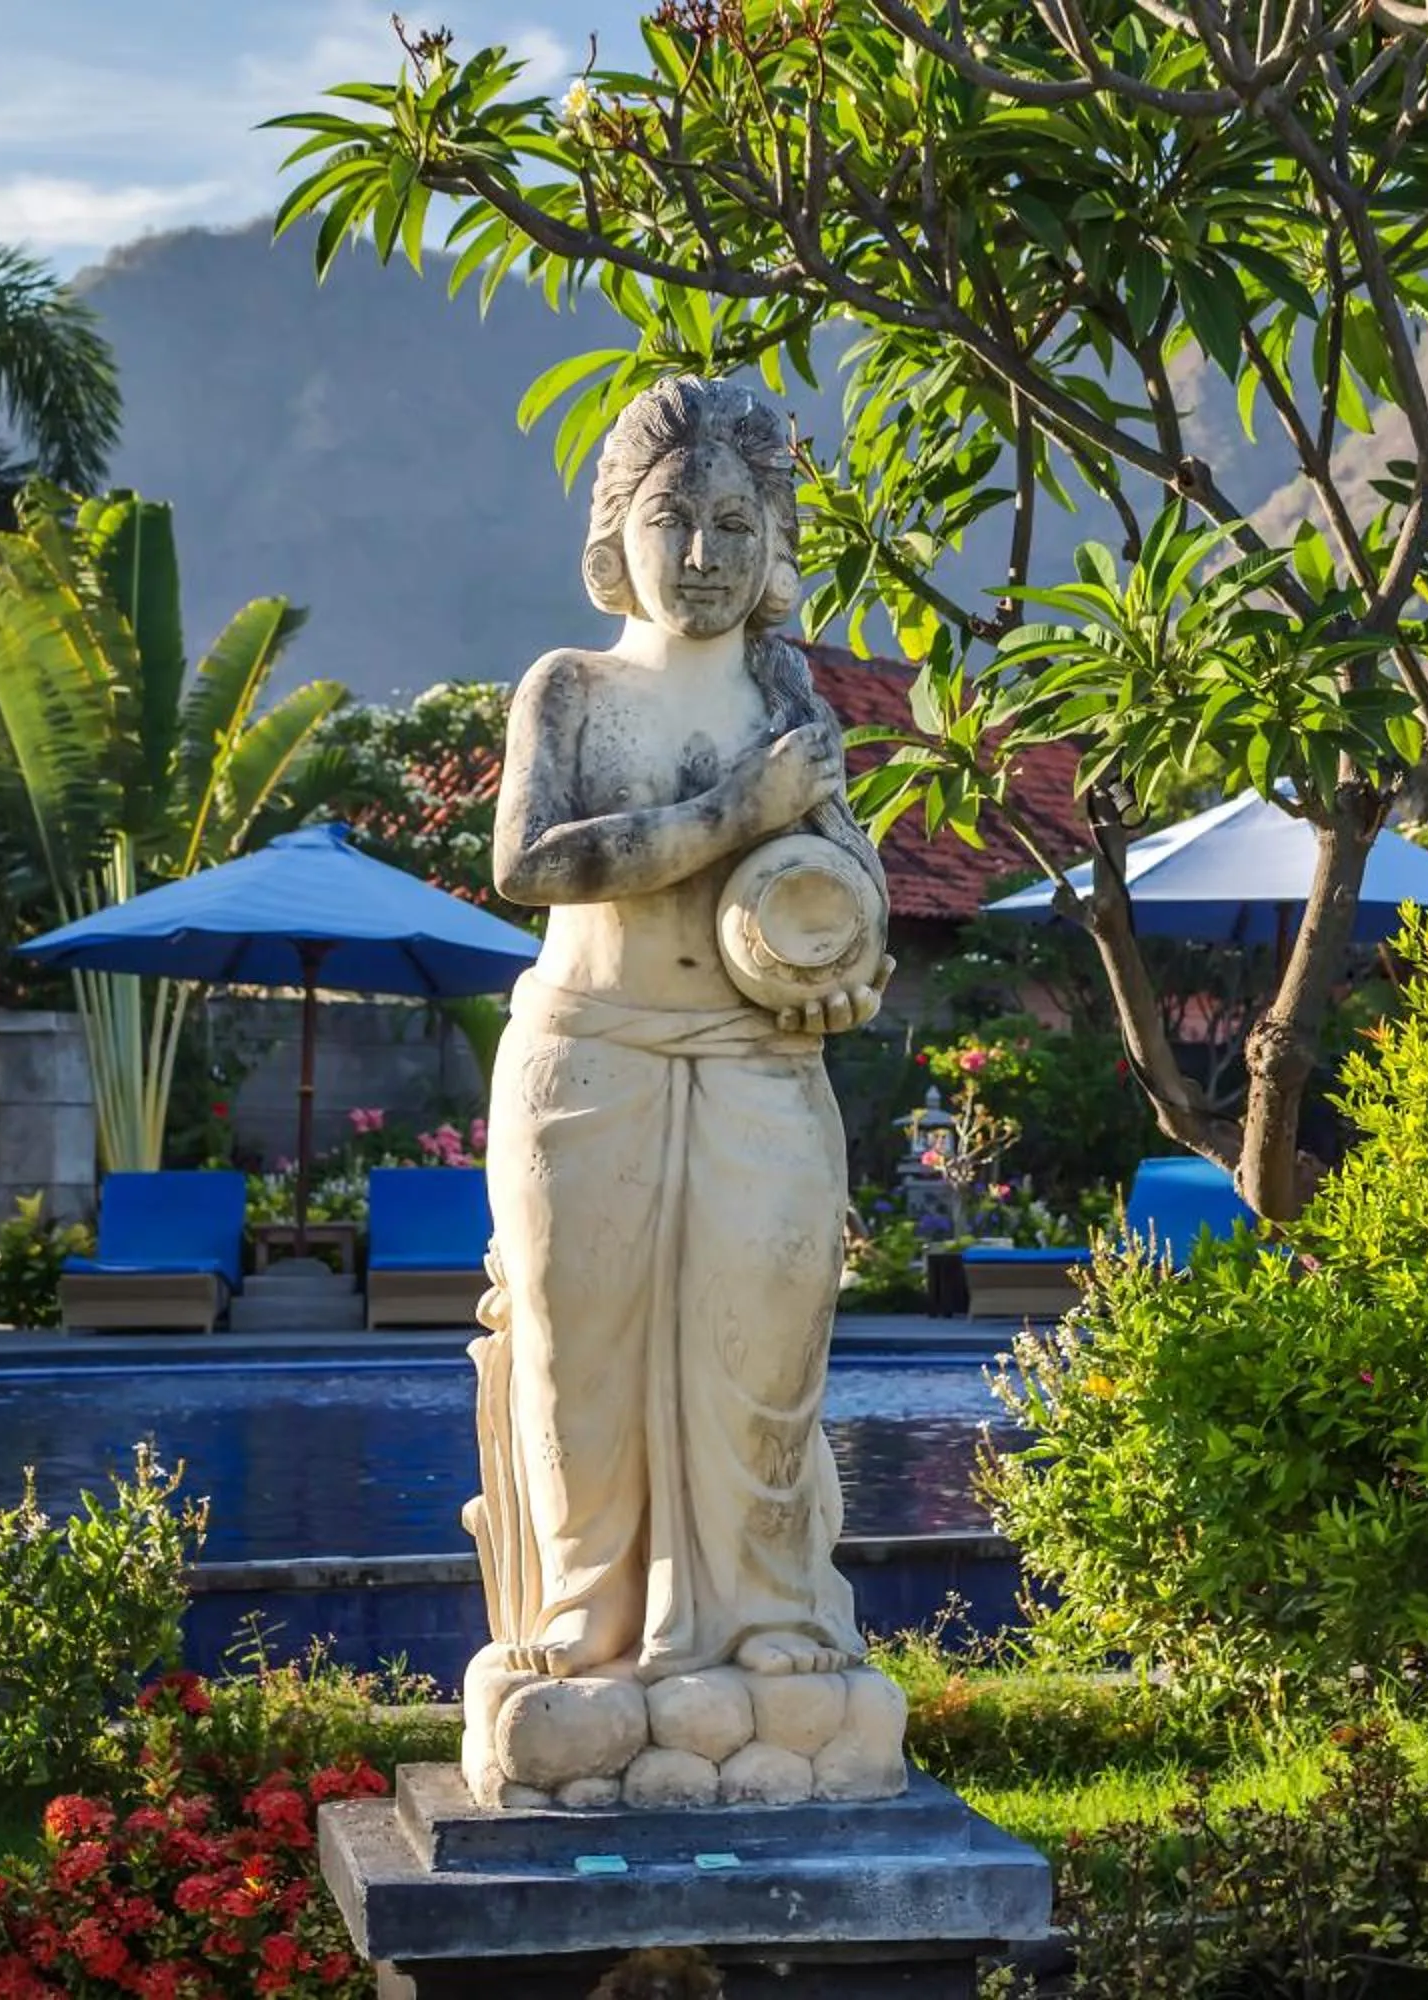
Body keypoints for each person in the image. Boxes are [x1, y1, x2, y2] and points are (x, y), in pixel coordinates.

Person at [468, 376, 893, 1691]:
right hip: (590, 1061)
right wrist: (729, 813)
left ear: (771, 548)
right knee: (576, 1356)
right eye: (674, 522)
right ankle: (590, 1616)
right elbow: (528, 862)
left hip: (756, 1069)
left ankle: (771, 1612)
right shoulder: (573, 689)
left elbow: (847, 895)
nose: (702, 555)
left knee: (764, 1357)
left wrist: (844, 976)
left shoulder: (793, 712)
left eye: (731, 525)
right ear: (618, 535)